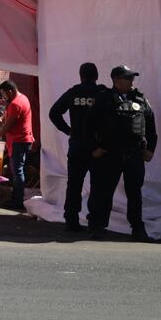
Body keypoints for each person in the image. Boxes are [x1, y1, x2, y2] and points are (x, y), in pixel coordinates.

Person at [85, 65, 157, 242]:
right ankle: (99, 227)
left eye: (132, 78)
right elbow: (88, 125)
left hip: (134, 154)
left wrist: (150, 149)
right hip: (110, 153)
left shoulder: (140, 100)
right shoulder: (103, 99)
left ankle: (138, 229)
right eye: (127, 78)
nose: (132, 81)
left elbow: (151, 126)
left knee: (135, 192)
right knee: (104, 191)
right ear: (116, 80)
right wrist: (94, 148)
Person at [48, 63, 107, 231]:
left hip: (77, 144)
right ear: (97, 76)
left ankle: (71, 220)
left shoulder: (74, 92)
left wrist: (68, 130)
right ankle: (94, 221)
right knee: (97, 184)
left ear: (81, 76)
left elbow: (54, 113)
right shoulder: (102, 93)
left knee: (74, 184)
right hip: (97, 147)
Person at [0, 80, 34, 211]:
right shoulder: (22, 98)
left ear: (10, 91)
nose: (3, 97)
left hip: (19, 141)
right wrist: (2, 118)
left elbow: (8, 126)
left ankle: (17, 201)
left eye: (4, 94)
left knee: (17, 172)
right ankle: (16, 197)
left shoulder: (15, 104)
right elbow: (11, 115)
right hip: (25, 140)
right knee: (19, 170)